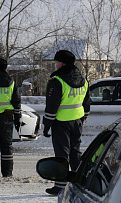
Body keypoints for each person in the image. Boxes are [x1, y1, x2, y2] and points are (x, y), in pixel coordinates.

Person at [43, 50, 90, 195]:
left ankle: (60, 185)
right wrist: (84, 116)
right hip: (78, 120)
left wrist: (47, 125)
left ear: (62, 63)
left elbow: (52, 106)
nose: (56, 65)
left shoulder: (57, 81)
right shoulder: (82, 79)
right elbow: (86, 101)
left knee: (61, 154)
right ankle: (78, 182)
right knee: (75, 152)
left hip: (61, 121)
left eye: (56, 62)